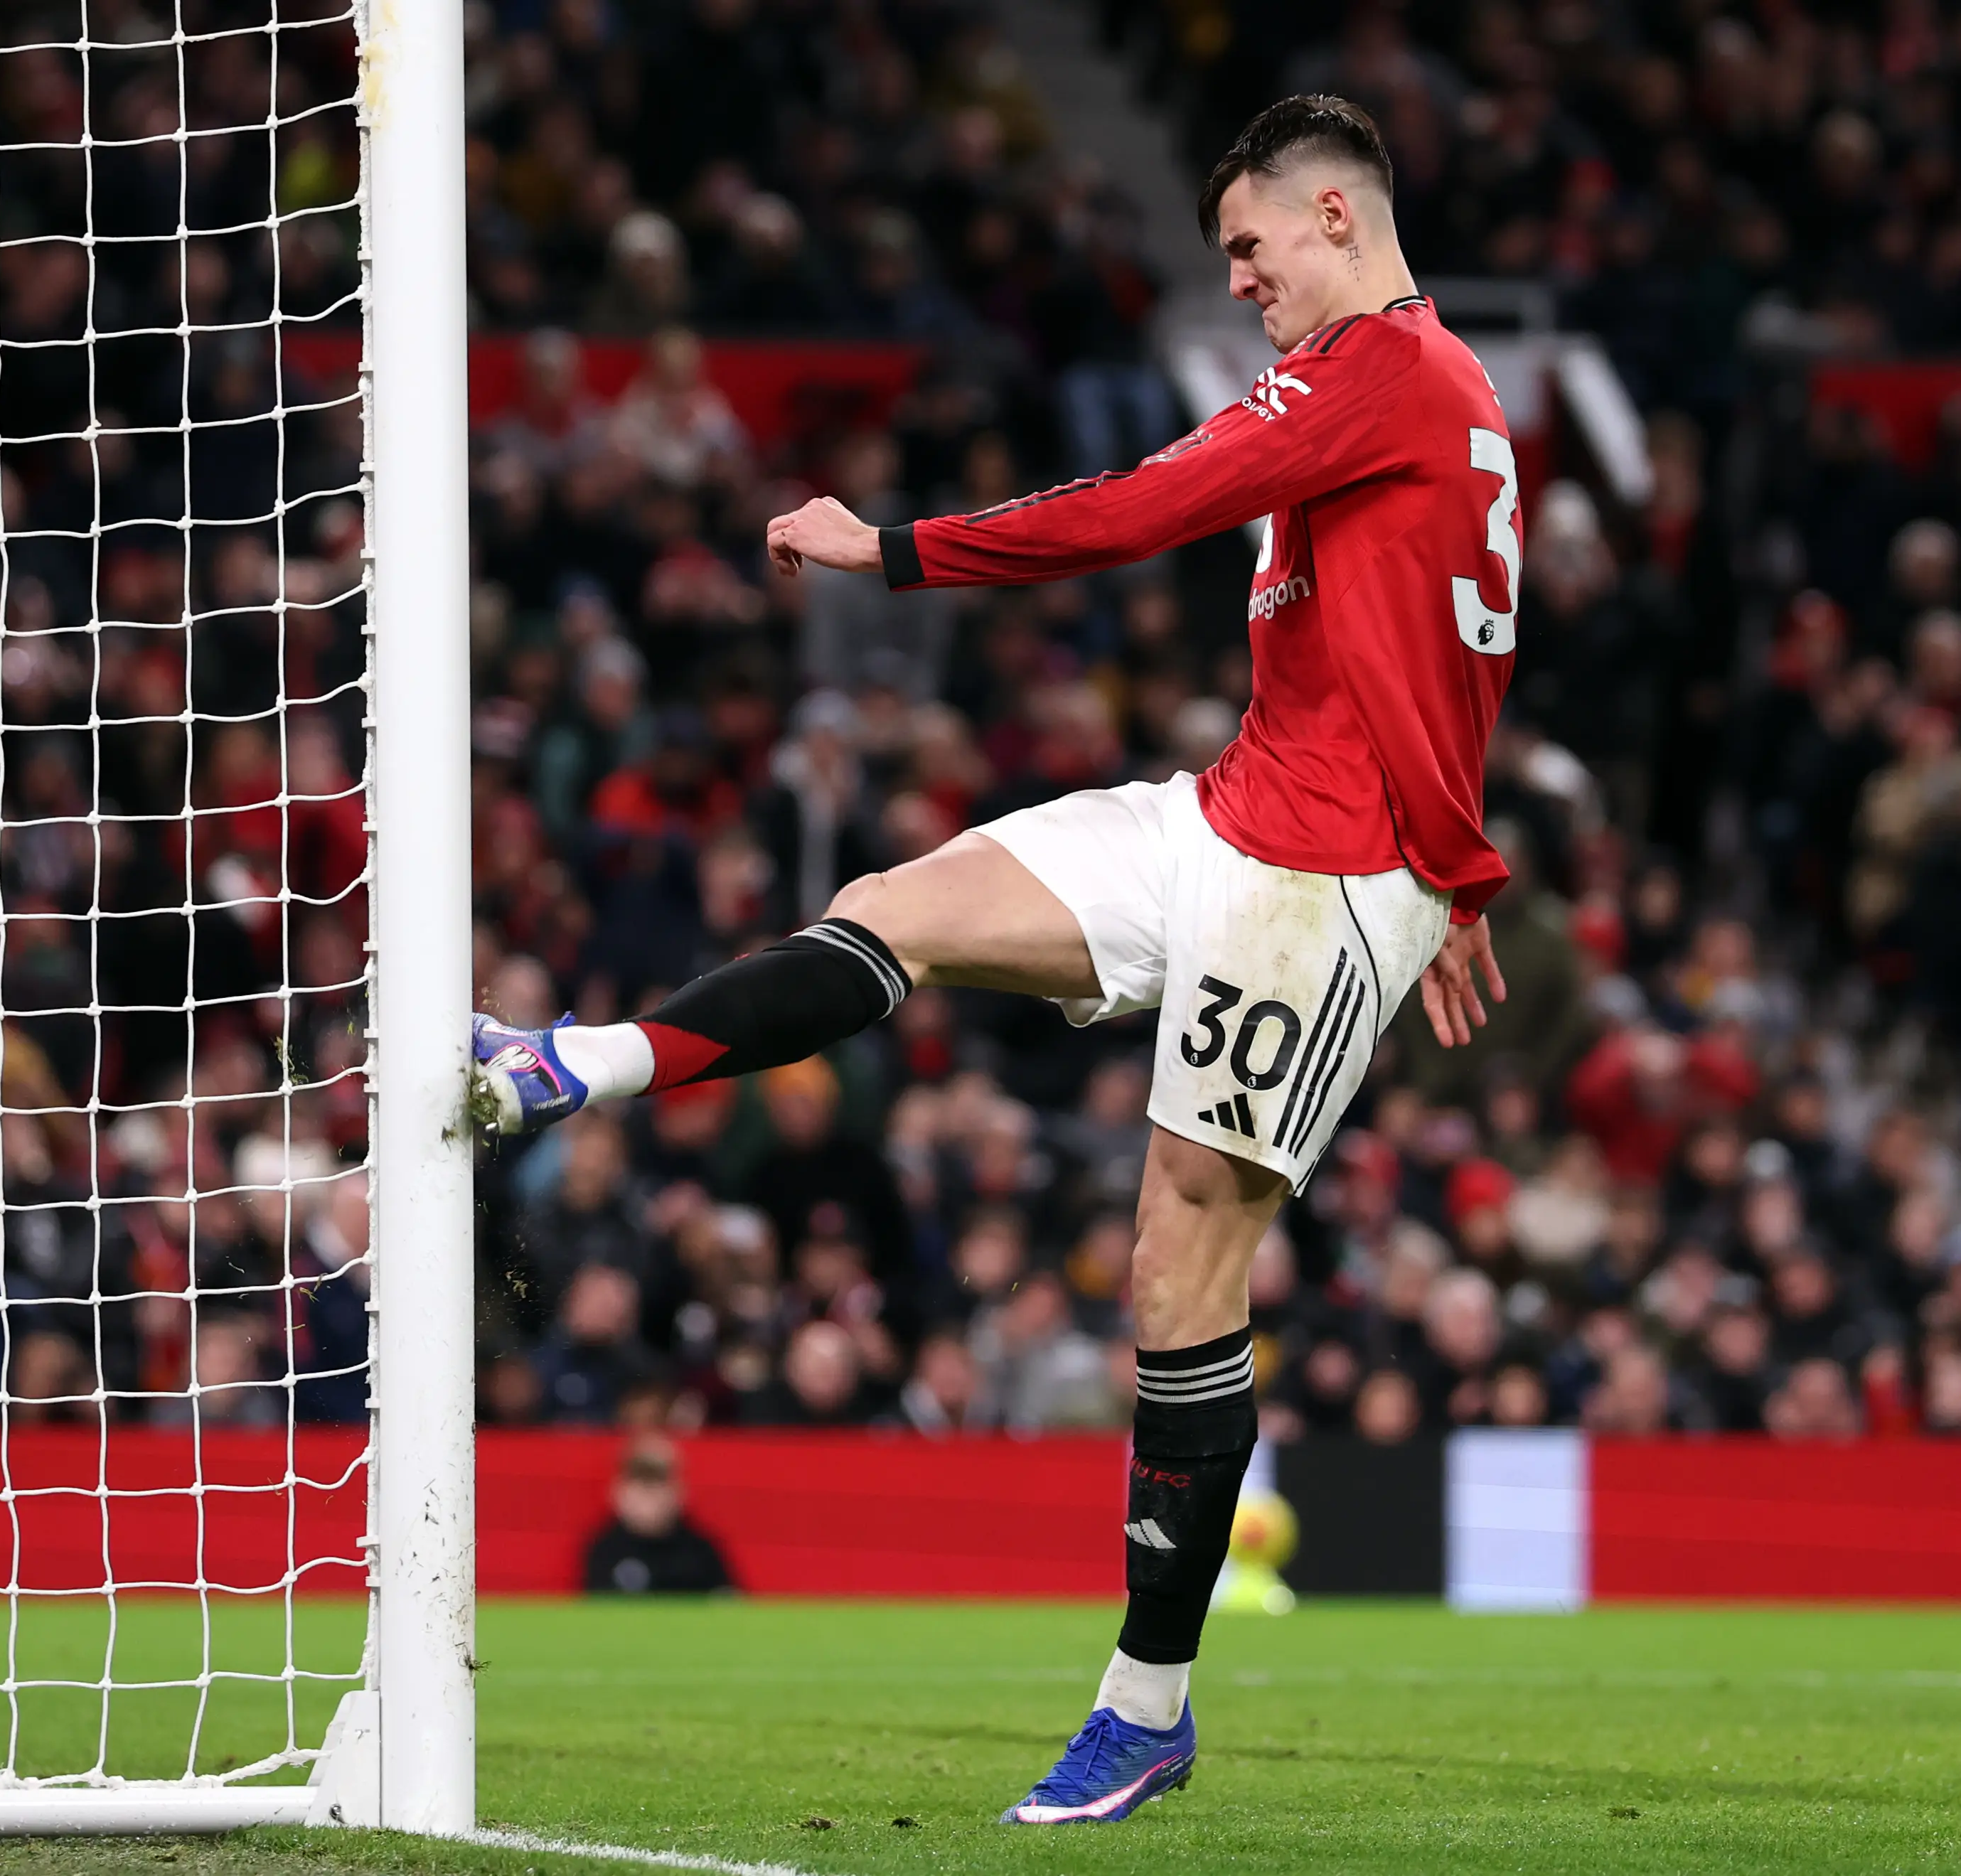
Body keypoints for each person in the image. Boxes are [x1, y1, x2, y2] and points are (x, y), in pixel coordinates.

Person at [474, 95, 1517, 1825]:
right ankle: (571, 1068)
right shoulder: (1432, 399)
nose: (1242, 282)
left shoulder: (1386, 376)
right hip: (1235, 817)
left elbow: (1138, 511)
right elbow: (1451, 650)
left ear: (1335, 214)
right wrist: (1468, 872)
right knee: (906, 899)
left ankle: (1147, 1704)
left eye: (1253, 248)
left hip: (1322, 880)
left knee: (1175, 1263)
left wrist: (883, 551)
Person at [580, 1437, 734, 1594]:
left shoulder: (700, 1551)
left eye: (658, 1482)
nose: (648, 1493)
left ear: (679, 1492)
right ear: (619, 1492)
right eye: (640, 1481)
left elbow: (727, 1603)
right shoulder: (605, 1550)